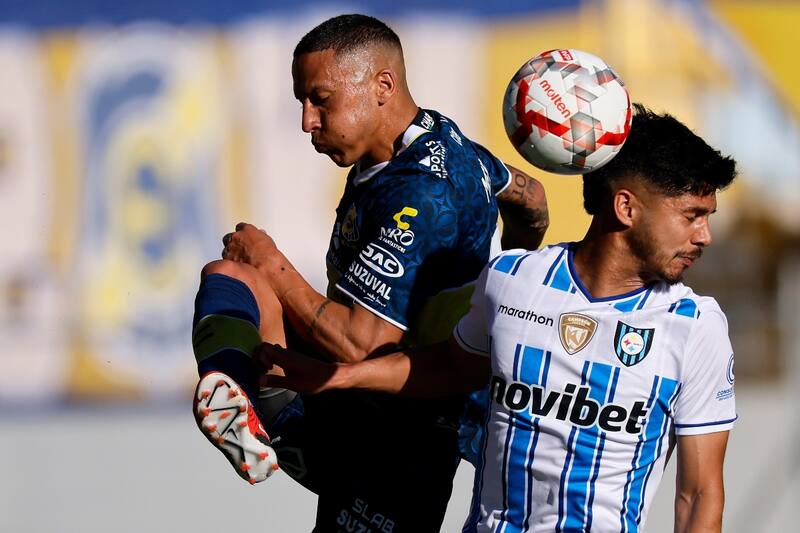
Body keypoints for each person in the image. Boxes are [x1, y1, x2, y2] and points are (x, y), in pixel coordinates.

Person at [260, 104, 738, 533]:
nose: (706, 236)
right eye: (692, 215)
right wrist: (340, 377)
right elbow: (447, 368)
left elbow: (698, 496)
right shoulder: (513, 278)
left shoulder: (696, 327)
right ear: (626, 207)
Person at [190, 13, 548, 532]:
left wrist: (273, 262)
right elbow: (530, 198)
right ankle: (234, 404)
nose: (307, 122)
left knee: (254, 267)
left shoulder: (422, 194)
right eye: (302, 103)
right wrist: (513, 279)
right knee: (231, 275)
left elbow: (362, 343)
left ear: (383, 86)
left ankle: (245, 406)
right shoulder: (441, 143)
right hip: (346, 398)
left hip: (402, 438)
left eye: (320, 100)